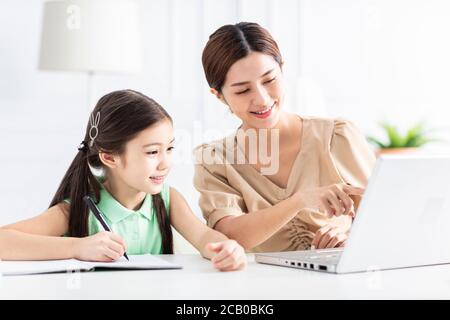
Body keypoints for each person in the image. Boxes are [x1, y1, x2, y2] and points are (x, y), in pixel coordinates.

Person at [0, 89, 246, 272]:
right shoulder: (75, 210)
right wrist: (78, 248)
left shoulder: (168, 200)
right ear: (109, 157)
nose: (165, 162)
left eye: (169, 149)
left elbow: (204, 237)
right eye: (152, 152)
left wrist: (227, 248)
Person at [194, 22, 376, 252]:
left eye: (270, 80)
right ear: (219, 96)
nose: (262, 99)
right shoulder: (215, 160)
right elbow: (230, 236)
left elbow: (384, 216)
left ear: (283, 71)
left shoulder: (337, 137)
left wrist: (347, 233)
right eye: (243, 90)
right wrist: (299, 201)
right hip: (262, 286)